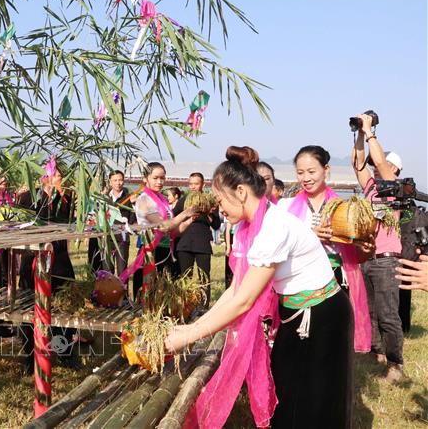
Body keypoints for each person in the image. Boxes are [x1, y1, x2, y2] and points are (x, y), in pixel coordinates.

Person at [165, 146, 353, 429]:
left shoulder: (273, 227)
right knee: (287, 394)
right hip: (297, 315)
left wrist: (190, 335)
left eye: (219, 199)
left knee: (316, 403)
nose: (218, 208)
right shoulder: (252, 225)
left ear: (240, 192)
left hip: (322, 316)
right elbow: (235, 289)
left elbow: (243, 301)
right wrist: (194, 327)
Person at [278, 145, 371, 352]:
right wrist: (309, 235)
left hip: (335, 280)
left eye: (312, 171)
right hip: (298, 280)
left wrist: (366, 247)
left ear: (326, 170)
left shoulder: (344, 209)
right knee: (300, 341)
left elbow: (358, 257)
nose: (306, 178)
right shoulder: (285, 207)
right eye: (300, 172)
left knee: (332, 341)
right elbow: (278, 245)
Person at [351, 112, 405, 382]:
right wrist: (359, 133)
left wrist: (371, 131)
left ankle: (396, 365)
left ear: (395, 170)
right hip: (368, 257)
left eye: (381, 165)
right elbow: (358, 164)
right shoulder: (371, 188)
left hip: (386, 260)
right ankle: (377, 353)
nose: (374, 166)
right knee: (369, 312)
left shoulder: (393, 188)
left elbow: (380, 161)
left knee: (387, 314)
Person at [18, 163, 81, 374]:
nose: (58, 179)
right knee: (29, 307)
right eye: (54, 175)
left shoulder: (68, 199)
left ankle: (64, 352)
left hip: (60, 260)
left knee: (64, 305)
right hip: (33, 259)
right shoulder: (28, 198)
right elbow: (22, 227)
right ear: (43, 177)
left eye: (60, 176)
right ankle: (30, 357)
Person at [121, 163, 193, 298]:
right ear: (145, 178)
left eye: (162, 178)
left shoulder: (163, 200)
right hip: (151, 251)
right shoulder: (144, 199)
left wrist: (190, 220)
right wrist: (185, 214)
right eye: (155, 178)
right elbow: (163, 226)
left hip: (165, 250)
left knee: (162, 293)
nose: (159, 182)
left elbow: (174, 231)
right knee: (148, 293)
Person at [173, 172, 221, 306]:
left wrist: (209, 213)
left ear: (202, 184)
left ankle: (203, 306)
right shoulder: (184, 200)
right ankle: (184, 305)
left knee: (204, 277)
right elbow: (174, 219)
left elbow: (216, 225)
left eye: (196, 184)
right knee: (184, 277)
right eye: (191, 184)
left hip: (202, 244)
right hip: (184, 243)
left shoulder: (209, 200)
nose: (193, 187)